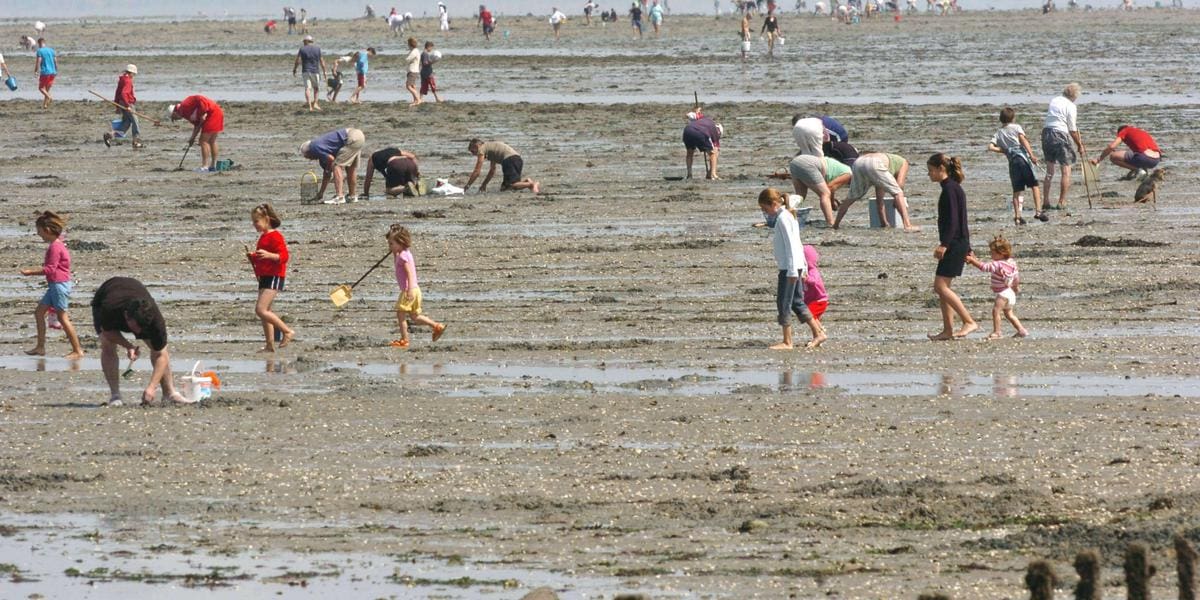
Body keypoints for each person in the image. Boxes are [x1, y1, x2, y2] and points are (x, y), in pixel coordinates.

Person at [91, 277, 187, 406]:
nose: (138, 332)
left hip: (135, 294)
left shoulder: (155, 321)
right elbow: (108, 331)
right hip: (105, 295)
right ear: (126, 317)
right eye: (135, 327)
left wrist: (152, 387)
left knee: (159, 348)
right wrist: (128, 345)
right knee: (108, 344)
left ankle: (169, 393)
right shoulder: (109, 308)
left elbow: (160, 355)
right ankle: (115, 395)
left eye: (142, 328)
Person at [757, 188, 826, 350]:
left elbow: (791, 246)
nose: (764, 212)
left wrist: (794, 271)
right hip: (796, 266)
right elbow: (798, 243)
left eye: (764, 209)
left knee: (784, 303)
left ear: (774, 204)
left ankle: (787, 342)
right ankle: (818, 333)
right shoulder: (789, 215)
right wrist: (803, 266)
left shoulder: (783, 218)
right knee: (797, 302)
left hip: (790, 269)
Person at [926, 153, 977, 341]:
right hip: (959, 242)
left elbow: (954, 220)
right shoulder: (954, 188)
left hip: (953, 244)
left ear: (941, 169)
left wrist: (944, 244)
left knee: (939, 286)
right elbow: (964, 220)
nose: (929, 174)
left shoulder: (950, 189)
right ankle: (948, 330)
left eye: (931, 171)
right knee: (943, 289)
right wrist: (968, 246)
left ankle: (968, 321)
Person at [19, 211, 83, 359]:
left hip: (59, 286)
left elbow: (50, 269)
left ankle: (77, 350)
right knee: (39, 313)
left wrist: (30, 272)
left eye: (39, 231)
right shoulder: (56, 244)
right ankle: (40, 347)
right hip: (55, 285)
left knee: (63, 318)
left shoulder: (55, 247)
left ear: (47, 231)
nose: (38, 234)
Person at [387, 225, 448, 349]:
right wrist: (394, 253)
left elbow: (409, 273)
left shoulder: (403, 256)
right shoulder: (405, 253)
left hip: (408, 290)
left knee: (400, 315)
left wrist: (408, 291)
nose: (390, 246)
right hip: (416, 290)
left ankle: (404, 340)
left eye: (392, 244)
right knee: (415, 317)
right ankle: (436, 326)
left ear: (401, 242)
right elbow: (397, 264)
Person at [247, 203, 295, 352]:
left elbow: (284, 256)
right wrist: (254, 257)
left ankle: (287, 331)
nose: (254, 225)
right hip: (264, 276)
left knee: (260, 309)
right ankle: (269, 344)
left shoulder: (276, 236)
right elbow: (262, 258)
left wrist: (269, 255)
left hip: (274, 276)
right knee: (266, 311)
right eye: (253, 221)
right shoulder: (263, 237)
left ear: (266, 219)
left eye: (256, 221)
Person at [833, 152, 918, 230]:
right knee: (898, 193)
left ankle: (836, 224)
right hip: (875, 162)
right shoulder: (904, 162)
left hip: (859, 162)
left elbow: (879, 200)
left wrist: (884, 223)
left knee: (851, 197)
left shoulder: (886, 167)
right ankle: (907, 225)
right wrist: (896, 199)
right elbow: (900, 184)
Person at [988, 107, 1044, 225]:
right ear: (1013, 118)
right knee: (1034, 185)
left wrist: (1005, 150)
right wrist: (1032, 155)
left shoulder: (999, 132)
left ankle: (1017, 216)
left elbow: (991, 147)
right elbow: (1023, 141)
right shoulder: (1017, 127)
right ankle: (1038, 211)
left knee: (1016, 191)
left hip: (1012, 163)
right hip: (1023, 160)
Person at [965, 235, 1028, 340]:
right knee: (1009, 313)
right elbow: (1016, 277)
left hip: (1003, 293)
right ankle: (1021, 330)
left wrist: (972, 260)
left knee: (996, 311)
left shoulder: (997, 264)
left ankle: (997, 331)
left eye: (992, 253)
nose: (991, 255)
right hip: (1010, 293)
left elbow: (984, 267)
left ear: (1001, 253)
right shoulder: (1011, 263)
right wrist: (1015, 287)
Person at [1041, 83, 1085, 212]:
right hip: (1060, 134)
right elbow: (1072, 129)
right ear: (1075, 96)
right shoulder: (1071, 106)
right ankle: (1061, 201)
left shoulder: (1055, 100)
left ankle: (1046, 201)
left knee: (1049, 171)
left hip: (1047, 133)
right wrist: (1080, 145)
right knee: (1066, 171)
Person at [300, 127, 365, 204]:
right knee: (350, 168)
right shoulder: (323, 151)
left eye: (308, 157)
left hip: (351, 137)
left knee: (336, 166)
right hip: (359, 136)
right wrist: (320, 194)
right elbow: (327, 175)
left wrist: (331, 168)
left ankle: (339, 197)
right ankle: (352, 196)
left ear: (309, 151)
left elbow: (332, 160)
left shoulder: (313, 147)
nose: (311, 159)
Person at [168, 95, 224, 172]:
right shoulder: (185, 114)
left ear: (174, 113)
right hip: (216, 112)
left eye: (174, 118)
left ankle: (205, 167)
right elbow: (197, 125)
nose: (176, 120)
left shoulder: (184, 105)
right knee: (211, 141)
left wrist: (203, 111)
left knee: (203, 141)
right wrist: (192, 138)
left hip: (212, 113)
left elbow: (199, 98)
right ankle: (212, 166)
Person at [465, 138, 541, 194]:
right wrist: (484, 185)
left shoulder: (481, 149)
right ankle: (528, 182)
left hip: (509, 160)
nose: (474, 154)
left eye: (473, 151)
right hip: (517, 159)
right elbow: (492, 170)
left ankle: (532, 184)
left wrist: (466, 187)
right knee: (504, 188)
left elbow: (477, 171)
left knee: (512, 185)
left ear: (477, 145)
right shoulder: (490, 148)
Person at [1092, 124, 1161, 181]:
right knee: (1135, 154)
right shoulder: (1141, 131)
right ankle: (1143, 172)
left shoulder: (1124, 131)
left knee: (1113, 156)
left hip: (1144, 157)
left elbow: (1111, 147)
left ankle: (1138, 170)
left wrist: (1099, 159)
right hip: (1156, 160)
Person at [104, 64, 143, 149]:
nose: (133, 76)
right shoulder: (128, 81)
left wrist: (117, 106)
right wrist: (127, 105)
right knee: (135, 122)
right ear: (131, 73)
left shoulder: (122, 79)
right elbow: (123, 93)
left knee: (126, 123)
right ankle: (136, 141)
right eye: (134, 74)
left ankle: (110, 135)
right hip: (127, 103)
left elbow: (117, 93)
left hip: (122, 103)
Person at [683, 111, 722, 180]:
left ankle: (689, 175)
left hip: (687, 130)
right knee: (712, 154)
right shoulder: (715, 132)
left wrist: (697, 111)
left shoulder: (703, 118)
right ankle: (713, 174)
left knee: (689, 153)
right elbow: (715, 151)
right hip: (700, 132)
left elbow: (689, 115)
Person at [293, 35, 327, 111]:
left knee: (307, 88)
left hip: (306, 71)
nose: (303, 43)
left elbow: (297, 61)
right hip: (315, 71)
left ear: (306, 41)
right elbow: (322, 61)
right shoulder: (317, 49)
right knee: (316, 88)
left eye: (304, 41)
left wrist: (294, 69)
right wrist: (324, 71)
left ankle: (310, 106)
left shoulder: (302, 49)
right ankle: (315, 103)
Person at [802, 244, 829, 330]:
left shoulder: (813, 271)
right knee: (813, 318)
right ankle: (820, 331)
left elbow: (813, 281)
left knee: (809, 315)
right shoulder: (805, 272)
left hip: (820, 301)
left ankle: (820, 333)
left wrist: (806, 279)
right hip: (811, 301)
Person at [34, 38, 56, 109]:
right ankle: (45, 105)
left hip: (45, 72)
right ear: (44, 42)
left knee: (41, 88)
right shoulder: (51, 50)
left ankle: (49, 97)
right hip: (53, 72)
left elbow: (38, 61)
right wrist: (56, 70)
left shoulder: (39, 51)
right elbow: (55, 61)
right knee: (47, 90)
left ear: (39, 43)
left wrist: (36, 70)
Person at [404, 37, 422, 106]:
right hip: (413, 70)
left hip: (413, 71)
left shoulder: (414, 51)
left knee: (408, 86)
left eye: (408, 44)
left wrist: (407, 56)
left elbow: (407, 59)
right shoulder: (414, 50)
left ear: (410, 44)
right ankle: (415, 100)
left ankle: (418, 100)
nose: (407, 45)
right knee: (413, 86)